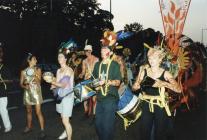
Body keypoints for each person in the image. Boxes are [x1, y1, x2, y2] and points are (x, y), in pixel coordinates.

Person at [132, 47, 181, 140]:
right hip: (146, 104)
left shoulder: (166, 74)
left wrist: (164, 83)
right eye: (149, 58)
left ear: (160, 59)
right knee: (144, 131)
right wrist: (139, 73)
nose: (151, 60)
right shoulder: (145, 72)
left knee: (160, 132)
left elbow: (178, 89)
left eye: (154, 58)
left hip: (160, 106)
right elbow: (134, 88)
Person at [92, 45, 122, 140]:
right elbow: (94, 81)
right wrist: (95, 85)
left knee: (107, 126)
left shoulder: (114, 65)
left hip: (111, 98)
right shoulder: (97, 65)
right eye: (102, 49)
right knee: (98, 124)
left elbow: (118, 82)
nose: (102, 51)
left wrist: (107, 82)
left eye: (105, 49)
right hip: (100, 98)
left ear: (110, 53)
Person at [20, 53, 45, 138]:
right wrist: (24, 86)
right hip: (27, 93)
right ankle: (29, 127)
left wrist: (35, 75)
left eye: (36, 59)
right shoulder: (23, 71)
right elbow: (21, 84)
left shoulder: (38, 69)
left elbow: (39, 82)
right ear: (29, 61)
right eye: (34, 59)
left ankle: (42, 130)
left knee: (38, 112)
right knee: (29, 111)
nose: (36, 61)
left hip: (37, 93)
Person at [50, 52, 74, 140]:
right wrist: (53, 85)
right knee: (63, 117)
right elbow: (58, 82)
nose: (59, 58)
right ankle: (65, 132)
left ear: (65, 59)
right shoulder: (58, 70)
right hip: (59, 96)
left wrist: (52, 82)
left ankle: (69, 138)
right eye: (58, 57)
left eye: (61, 57)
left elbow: (63, 84)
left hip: (67, 96)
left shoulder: (69, 70)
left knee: (65, 120)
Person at [79, 45, 99, 117]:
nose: (86, 52)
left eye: (87, 51)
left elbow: (98, 71)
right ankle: (86, 112)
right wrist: (81, 74)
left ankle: (94, 114)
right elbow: (83, 71)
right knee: (85, 98)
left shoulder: (96, 59)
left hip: (94, 80)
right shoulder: (84, 61)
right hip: (86, 80)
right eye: (85, 51)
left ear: (90, 51)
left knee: (94, 98)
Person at [0, 46, 12, 133]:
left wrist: (2, 80)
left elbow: (10, 80)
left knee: (3, 110)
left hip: (2, 92)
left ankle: (8, 126)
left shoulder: (4, 68)